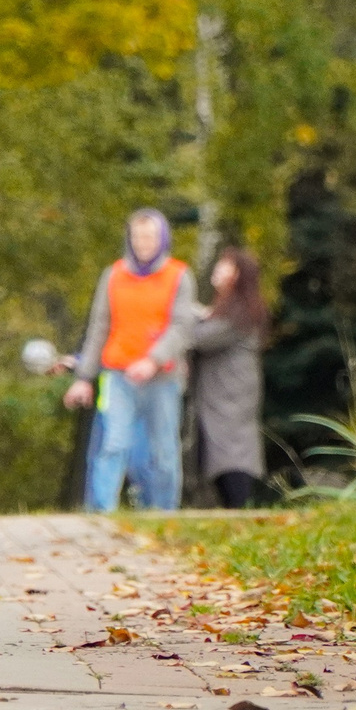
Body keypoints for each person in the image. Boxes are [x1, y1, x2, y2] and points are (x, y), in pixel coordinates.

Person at [63, 210, 196, 512]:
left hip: (162, 379)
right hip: (117, 375)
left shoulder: (178, 276)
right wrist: (83, 377)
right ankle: (101, 513)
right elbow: (99, 327)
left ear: (161, 239)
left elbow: (181, 327)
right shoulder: (114, 275)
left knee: (163, 452)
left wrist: (153, 360)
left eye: (148, 237)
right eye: (137, 237)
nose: (142, 243)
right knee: (113, 444)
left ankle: (164, 513)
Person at [189, 245, 268, 507]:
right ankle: (234, 508)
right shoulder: (230, 308)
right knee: (220, 455)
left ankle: (240, 509)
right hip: (223, 395)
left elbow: (202, 338)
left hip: (231, 396)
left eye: (226, 265)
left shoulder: (239, 311)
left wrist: (182, 318)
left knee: (232, 456)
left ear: (238, 275)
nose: (218, 269)